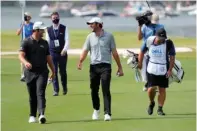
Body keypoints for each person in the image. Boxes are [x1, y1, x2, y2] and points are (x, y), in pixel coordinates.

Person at [77, 17, 124, 121]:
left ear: (98, 24)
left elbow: (114, 52)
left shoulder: (109, 36)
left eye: (92, 24)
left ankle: (107, 113)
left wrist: (120, 67)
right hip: (94, 66)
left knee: (105, 89)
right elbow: (85, 51)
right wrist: (80, 61)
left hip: (106, 66)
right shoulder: (89, 37)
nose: (90, 26)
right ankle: (96, 109)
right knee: (94, 90)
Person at [18, 21, 55, 124]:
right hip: (29, 72)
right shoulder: (26, 42)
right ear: (36, 30)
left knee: (40, 92)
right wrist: (25, 63)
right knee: (32, 95)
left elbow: (48, 58)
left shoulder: (44, 43)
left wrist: (53, 70)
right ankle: (32, 115)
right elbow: (20, 55)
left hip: (42, 71)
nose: (43, 32)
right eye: (42, 30)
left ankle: (42, 114)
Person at [138, 28, 176, 116]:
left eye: (163, 38)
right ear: (156, 36)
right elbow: (142, 52)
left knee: (162, 89)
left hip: (163, 68)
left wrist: (170, 70)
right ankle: (151, 103)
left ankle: (160, 108)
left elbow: (172, 57)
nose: (162, 40)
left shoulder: (169, 43)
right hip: (151, 67)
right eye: (160, 38)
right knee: (151, 88)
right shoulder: (149, 41)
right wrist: (140, 63)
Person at [137, 13, 165, 91]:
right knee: (147, 69)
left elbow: (163, 39)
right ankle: (149, 84)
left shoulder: (161, 26)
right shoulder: (145, 27)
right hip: (147, 49)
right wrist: (139, 26)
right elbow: (139, 38)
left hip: (157, 49)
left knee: (156, 67)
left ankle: (153, 84)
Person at [45, 12, 70, 96]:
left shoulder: (64, 28)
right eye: (53, 18)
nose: (55, 19)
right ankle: (56, 90)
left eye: (57, 17)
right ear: (51, 19)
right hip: (52, 53)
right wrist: (46, 52)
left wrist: (65, 49)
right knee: (54, 71)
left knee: (63, 71)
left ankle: (64, 88)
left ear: (59, 18)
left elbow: (67, 40)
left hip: (62, 53)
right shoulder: (48, 29)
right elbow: (47, 41)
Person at [17, 12, 34, 82]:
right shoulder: (22, 24)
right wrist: (22, 26)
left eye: (28, 17)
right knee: (22, 59)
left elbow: (34, 33)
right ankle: (23, 74)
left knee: (31, 58)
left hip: (30, 43)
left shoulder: (32, 25)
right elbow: (17, 33)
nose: (27, 18)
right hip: (23, 43)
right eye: (26, 16)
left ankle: (31, 73)